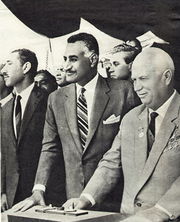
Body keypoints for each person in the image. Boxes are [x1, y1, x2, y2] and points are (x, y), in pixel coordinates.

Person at [12, 32, 140, 212]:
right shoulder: (55, 99)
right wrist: (39, 189)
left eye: (72, 59)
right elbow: (50, 147)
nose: (65, 66)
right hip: (73, 200)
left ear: (93, 59)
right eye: (64, 59)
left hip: (116, 199)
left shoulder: (124, 92)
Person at [62, 47, 180, 222]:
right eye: (134, 80)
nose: (137, 87)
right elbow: (111, 162)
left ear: (167, 77)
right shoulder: (130, 119)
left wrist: (161, 211)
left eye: (143, 79)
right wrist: (86, 198)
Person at [1, 49, 65, 212]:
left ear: (26, 67)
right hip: (13, 198)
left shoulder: (48, 101)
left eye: (9, 63)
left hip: (44, 196)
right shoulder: (6, 108)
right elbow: (5, 153)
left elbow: (55, 148)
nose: (3, 70)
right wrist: (2, 192)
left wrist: (43, 189)